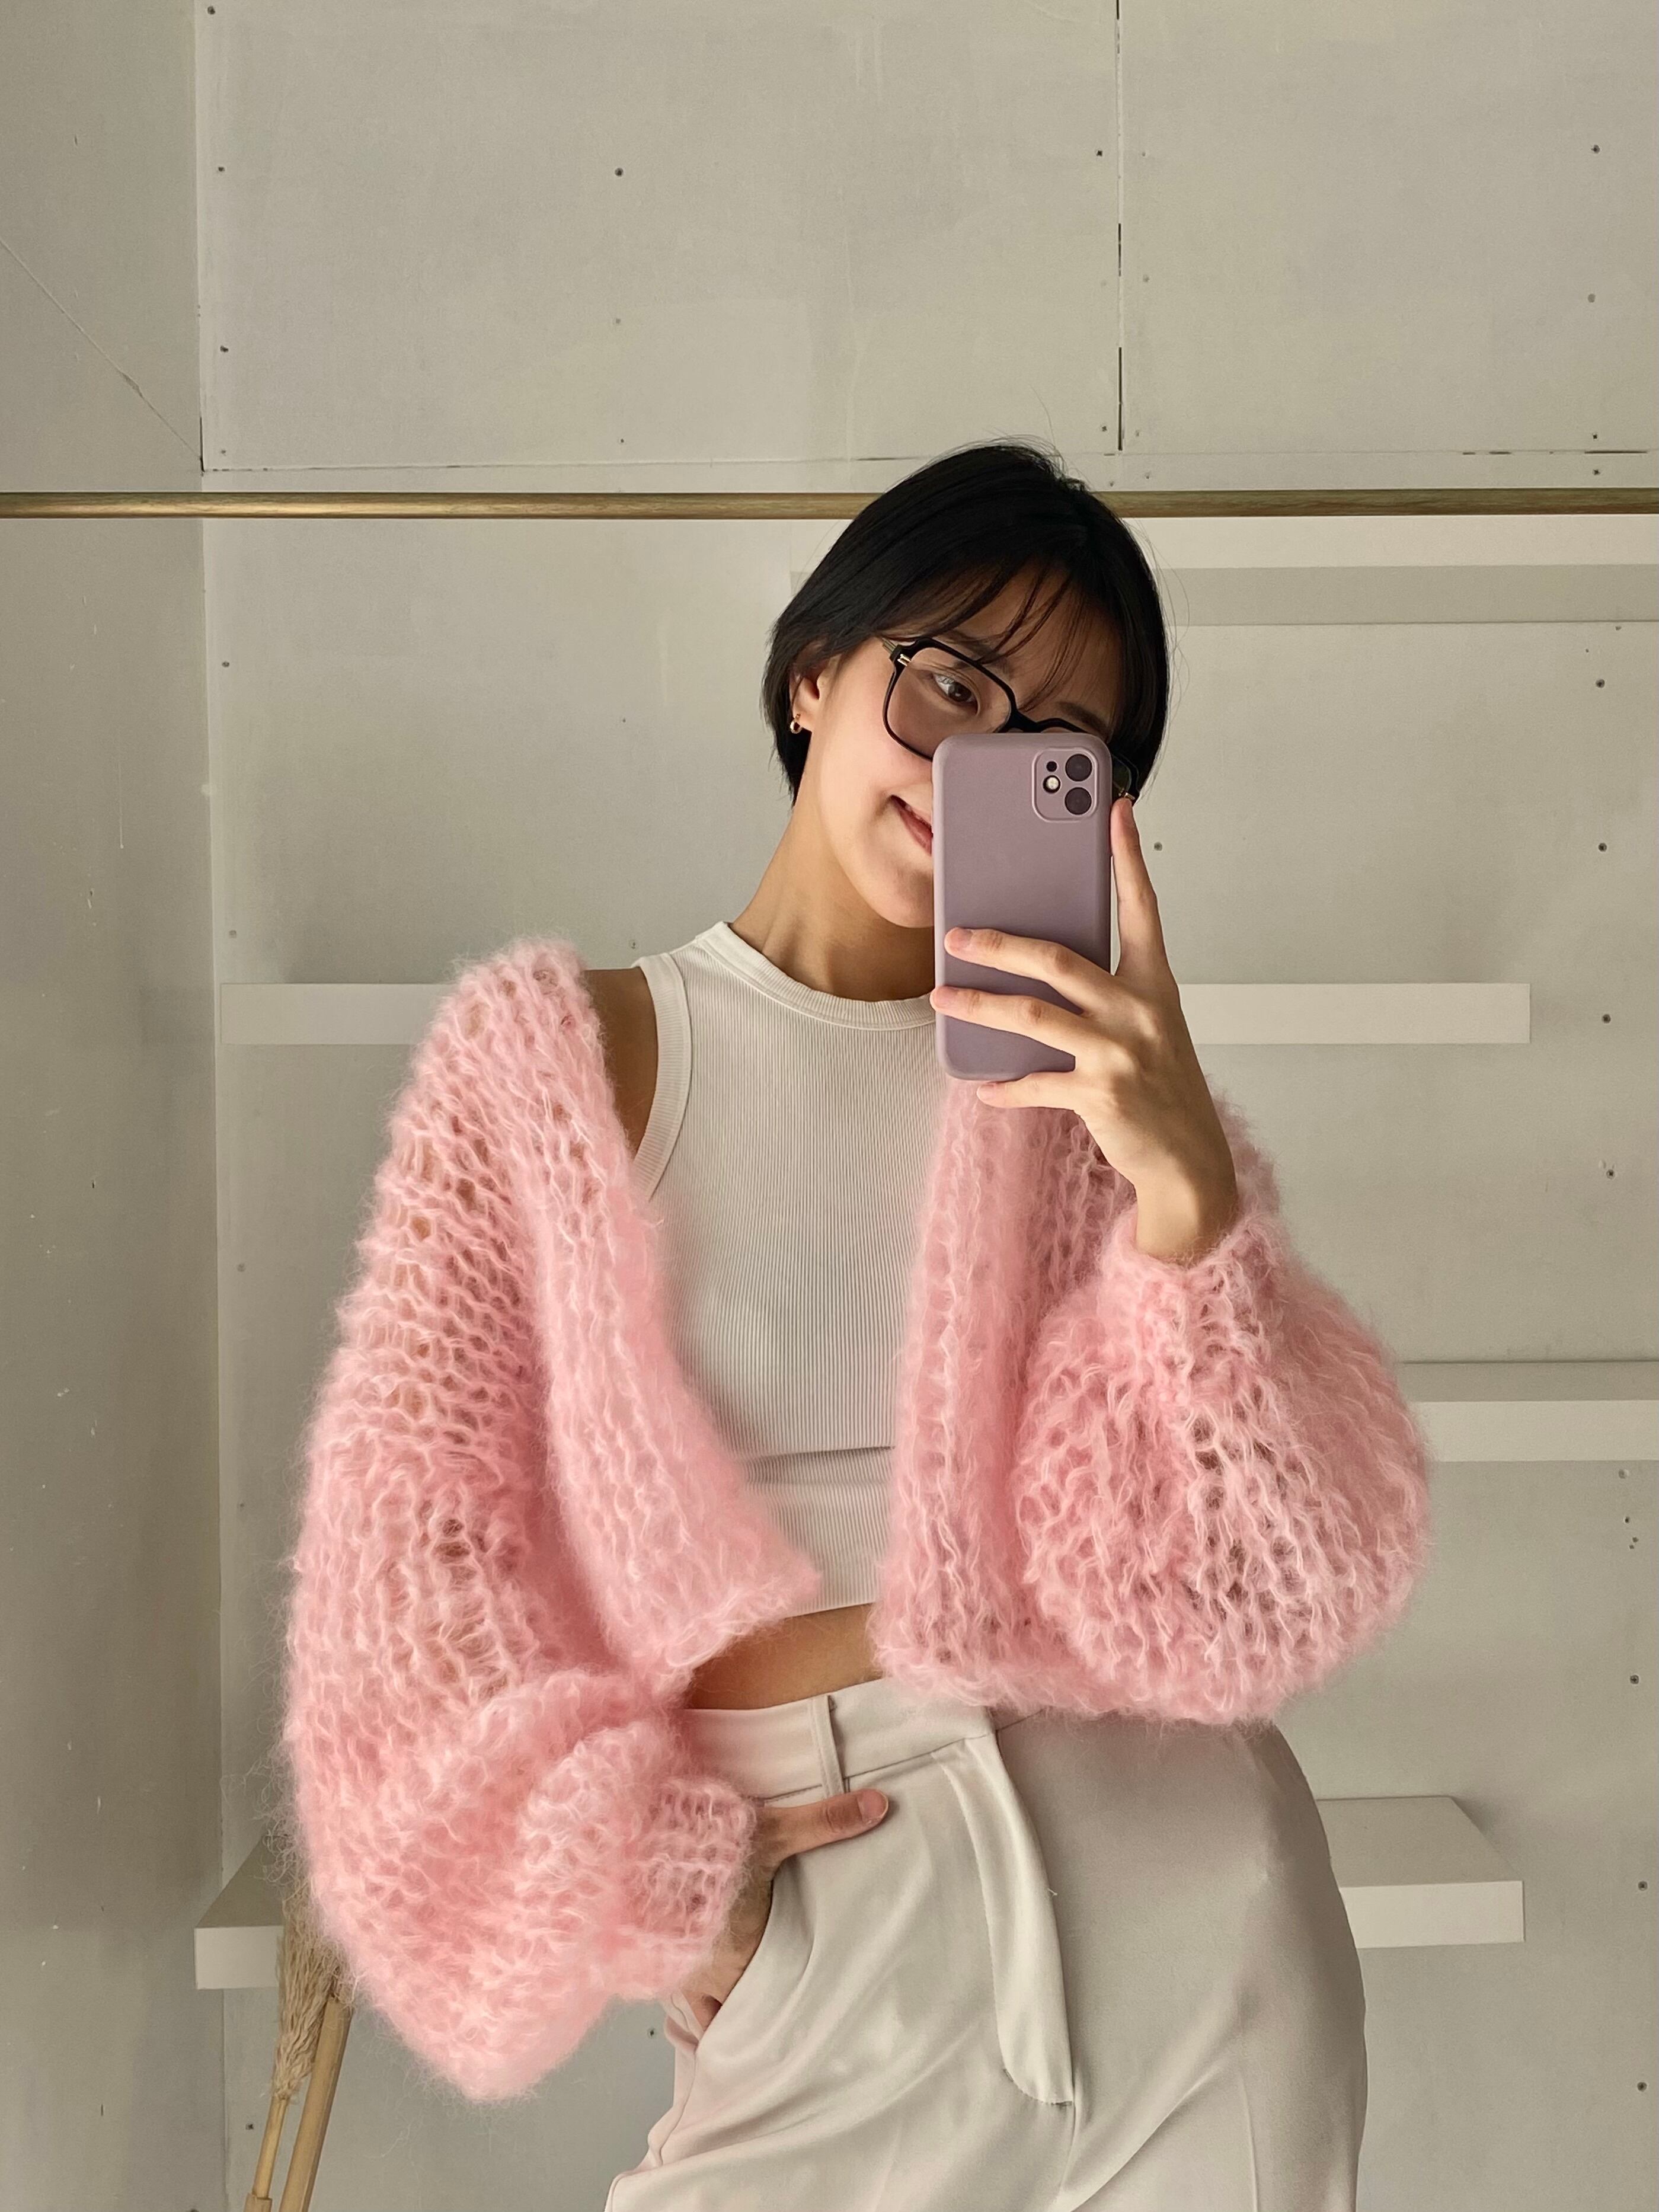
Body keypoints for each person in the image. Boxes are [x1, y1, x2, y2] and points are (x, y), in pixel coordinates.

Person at [274, 439, 1433, 2210]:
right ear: (815, 672)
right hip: (826, 1923)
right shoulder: (554, 1062)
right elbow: (412, 1575)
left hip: (1198, 1914)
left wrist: (1193, 1203)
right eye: (950, 683)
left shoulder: (1091, 1097)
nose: (979, 760)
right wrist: (677, 1892)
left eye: (1057, 742)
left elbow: (1273, 1584)